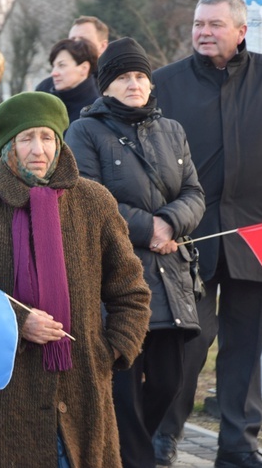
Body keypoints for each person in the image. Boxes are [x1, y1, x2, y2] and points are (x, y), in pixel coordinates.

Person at [151, 0, 262, 468]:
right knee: (187, 344)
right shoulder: (164, 83)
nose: (204, 32)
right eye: (198, 24)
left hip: (260, 238)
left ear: (242, 30)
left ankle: (238, 447)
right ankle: (164, 436)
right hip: (188, 241)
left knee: (245, 350)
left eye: (215, 24)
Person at [0, 91, 152, 467]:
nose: (38, 149)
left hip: (82, 384)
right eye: (26, 138)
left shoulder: (94, 201)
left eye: (47, 136)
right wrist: (20, 322)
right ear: (8, 145)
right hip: (1, 396)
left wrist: (109, 351)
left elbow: (131, 291)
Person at [65, 37, 205, 468]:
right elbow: (89, 197)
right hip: (118, 279)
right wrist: (151, 228)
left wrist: (170, 223)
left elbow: (195, 194)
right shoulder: (84, 131)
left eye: (141, 76)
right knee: (123, 386)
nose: (134, 84)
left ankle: (124, 452)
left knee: (169, 381)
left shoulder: (172, 131)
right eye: (124, 77)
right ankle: (133, 459)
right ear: (106, 85)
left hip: (171, 277)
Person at [36, 15, 109, 92]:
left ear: (102, 46)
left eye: (83, 40)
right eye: (72, 39)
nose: (76, 44)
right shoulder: (46, 87)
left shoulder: (112, 84)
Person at [44, 38, 100, 123]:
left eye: (61, 65)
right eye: (53, 66)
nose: (54, 73)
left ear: (84, 68)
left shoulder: (98, 112)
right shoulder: (44, 104)